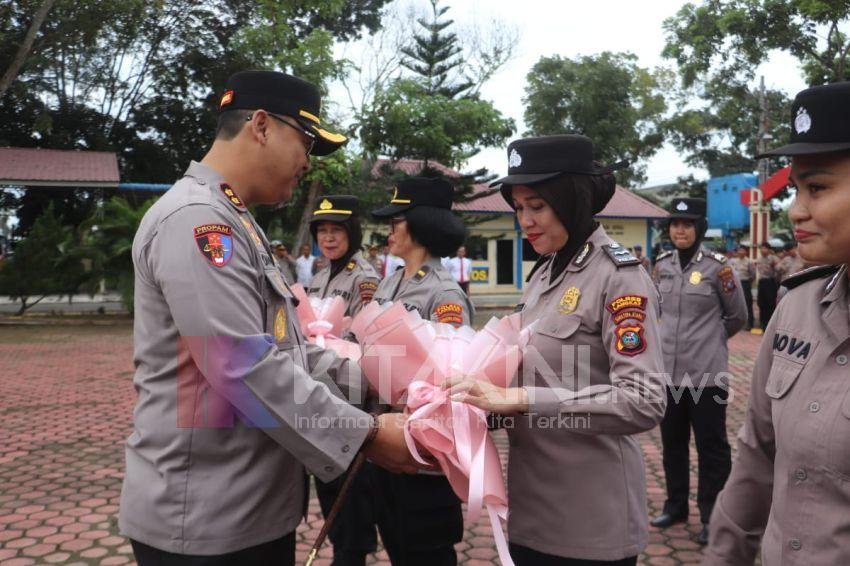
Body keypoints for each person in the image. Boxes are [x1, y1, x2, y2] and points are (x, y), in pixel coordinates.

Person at [119, 70, 424, 566]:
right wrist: (365, 434)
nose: (307, 161)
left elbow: (291, 353)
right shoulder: (200, 222)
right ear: (260, 125)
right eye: (305, 142)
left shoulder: (236, 221)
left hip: (242, 507)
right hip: (205, 518)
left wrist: (390, 378)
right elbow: (242, 366)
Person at [446, 134, 667, 566]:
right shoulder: (546, 271)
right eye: (519, 208)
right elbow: (531, 372)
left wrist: (523, 400)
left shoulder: (619, 277)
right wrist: (474, 404)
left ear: (572, 200)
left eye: (537, 206)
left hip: (590, 516)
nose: (524, 221)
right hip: (531, 507)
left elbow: (645, 400)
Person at [705, 81, 850, 566]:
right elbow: (757, 459)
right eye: (795, 189)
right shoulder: (798, 306)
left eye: (818, 188)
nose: (796, 210)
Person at [362, 176, 474, 566]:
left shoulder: (444, 295)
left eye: (397, 220)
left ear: (422, 223)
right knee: (397, 547)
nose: (389, 228)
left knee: (426, 554)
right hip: (385, 446)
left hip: (423, 459)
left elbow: (452, 378)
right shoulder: (390, 283)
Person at [648, 198, 748, 546]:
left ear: (699, 229)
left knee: (712, 449)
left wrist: (710, 342)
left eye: (687, 224)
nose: (680, 230)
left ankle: (712, 516)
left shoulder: (718, 269)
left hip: (707, 374)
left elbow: (737, 317)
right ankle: (675, 506)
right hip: (669, 375)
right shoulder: (662, 266)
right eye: (675, 224)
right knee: (672, 445)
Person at [306, 195, 381, 566]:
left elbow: (367, 335)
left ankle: (353, 551)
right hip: (320, 389)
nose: (329, 238)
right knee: (327, 474)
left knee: (349, 482)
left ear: (351, 232)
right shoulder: (319, 275)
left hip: (349, 394)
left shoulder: (364, 278)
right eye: (322, 230)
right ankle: (343, 546)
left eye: (336, 230)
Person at [729, 245, 756, 330]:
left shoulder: (749, 262)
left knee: (748, 303)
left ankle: (750, 324)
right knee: (735, 302)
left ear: (746, 252)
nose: (740, 252)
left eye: (742, 250)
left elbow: (753, 275)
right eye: (739, 250)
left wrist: (748, 282)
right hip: (736, 283)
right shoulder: (733, 261)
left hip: (745, 283)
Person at [756, 242, 780, 329]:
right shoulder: (759, 259)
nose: (762, 250)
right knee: (761, 303)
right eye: (761, 248)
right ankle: (763, 324)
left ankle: (771, 324)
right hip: (761, 282)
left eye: (764, 248)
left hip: (770, 282)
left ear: (769, 249)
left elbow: (779, 270)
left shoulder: (774, 259)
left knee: (770, 303)